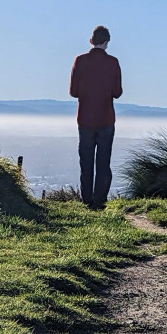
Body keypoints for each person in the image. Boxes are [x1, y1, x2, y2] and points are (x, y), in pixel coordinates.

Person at [69, 25, 123, 210]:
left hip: (85, 119)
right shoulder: (113, 63)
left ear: (91, 41)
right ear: (107, 42)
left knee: (86, 161)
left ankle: (86, 200)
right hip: (106, 119)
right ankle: (99, 201)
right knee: (103, 161)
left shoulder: (80, 61)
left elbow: (73, 92)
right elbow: (117, 93)